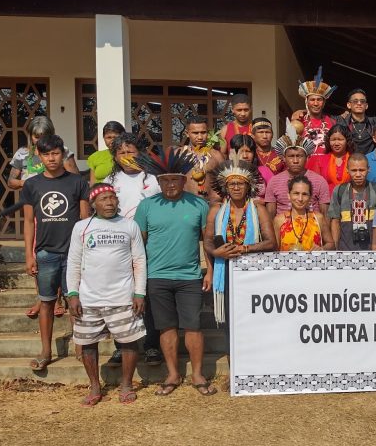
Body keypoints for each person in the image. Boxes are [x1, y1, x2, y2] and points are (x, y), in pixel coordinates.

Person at [133, 149, 216, 396]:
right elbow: (138, 246)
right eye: (165, 180)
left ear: (184, 180)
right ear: (158, 182)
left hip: (189, 276)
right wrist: (139, 282)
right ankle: (172, 374)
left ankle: (198, 374)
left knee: (193, 327)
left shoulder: (199, 204)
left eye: (175, 180)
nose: (170, 185)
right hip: (156, 277)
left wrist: (209, 272)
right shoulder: (146, 207)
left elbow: (207, 242)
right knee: (166, 328)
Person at [66, 183, 146, 406]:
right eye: (104, 199)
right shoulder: (81, 227)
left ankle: (127, 384)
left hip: (122, 296)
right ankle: (94, 386)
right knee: (88, 343)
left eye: (112, 198)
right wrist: (72, 293)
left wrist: (139, 293)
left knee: (129, 342)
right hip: (89, 298)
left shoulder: (129, 225)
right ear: (93, 204)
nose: (109, 202)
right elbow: (73, 262)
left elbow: (139, 260)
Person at [21, 135, 90, 371]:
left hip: (73, 253)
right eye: (46, 154)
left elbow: (85, 220)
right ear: (39, 156)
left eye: (56, 153)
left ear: (63, 154)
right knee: (47, 302)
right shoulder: (32, 185)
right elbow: (29, 222)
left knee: (74, 301)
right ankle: (46, 350)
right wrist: (29, 255)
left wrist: (86, 253)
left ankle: (80, 347)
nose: (52, 158)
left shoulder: (77, 182)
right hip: (45, 253)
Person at [105, 132, 163, 367]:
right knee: (123, 295)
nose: (127, 156)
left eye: (131, 152)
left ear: (140, 153)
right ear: (115, 156)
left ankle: (151, 345)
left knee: (148, 294)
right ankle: (122, 346)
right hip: (119, 246)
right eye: (122, 153)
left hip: (151, 245)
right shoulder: (111, 182)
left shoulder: (154, 179)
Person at [203, 161, 275, 334]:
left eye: (240, 183)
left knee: (252, 316)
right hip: (225, 268)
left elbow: (271, 242)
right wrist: (215, 253)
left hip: (251, 270)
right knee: (230, 319)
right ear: (226, 187)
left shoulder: (258, 209)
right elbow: (207, 241)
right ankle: (232, 357)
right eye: (232, 184)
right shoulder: (216, 209)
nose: (236, 187)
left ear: (248, 186)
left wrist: (245, 249)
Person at [263, 128, 328, 216]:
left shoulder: (319, 181)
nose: (295, 161)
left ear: (307, 157)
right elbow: (270, 216)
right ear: (284, 158)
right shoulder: (274, 182)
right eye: (291, 156)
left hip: (313, 228)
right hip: (282, 228)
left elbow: (325, 215)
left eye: (299, 156)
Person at [328, 156, 376, 251]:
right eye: (354, 170)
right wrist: (335, 250)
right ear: (347, 170)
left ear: (369, 169)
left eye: (362, 170)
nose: (358, 174)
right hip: (346, 251)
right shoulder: (340, 190)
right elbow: (335, 221)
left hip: (373, 251)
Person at [8, 116, 80, 191]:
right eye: (36, 137)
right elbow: (10, 182)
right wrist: (26, 183)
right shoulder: (22, 153)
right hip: (30, 200)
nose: (40, 140)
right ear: (30, 136)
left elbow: (77, 181)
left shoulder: (62, 151)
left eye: (44, 137)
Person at [274, 176, 333, 251]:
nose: (300, 198)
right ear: (289, 195)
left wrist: (322, 249)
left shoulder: (318, 218)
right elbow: (275, 249)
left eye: (304, 194)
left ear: (310, 197)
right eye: (296, 193)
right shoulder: (280, 220)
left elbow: (331, 243)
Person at [292, 66, 337, 156]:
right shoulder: (298, 121)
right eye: (312, 100)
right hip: (305, 168)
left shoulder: (332, 122)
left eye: (319, 100)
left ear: (324, 103)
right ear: (307, 102)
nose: (315, 103)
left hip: (326, 167)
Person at [178, 116, 224, 199]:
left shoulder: (216, 155)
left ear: (208, 133)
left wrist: (217, 201)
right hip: (185, 205)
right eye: (195, 133)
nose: (200, 137)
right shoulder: (178, 154)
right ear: (187, 133)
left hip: (210, 206)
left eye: (203, 132)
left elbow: (225, 183)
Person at [336, 88, 376, 155]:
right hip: (348, 162)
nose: (359, 103)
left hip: (369, 163)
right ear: (349, 105)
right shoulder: (341, 122)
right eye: (355, 101)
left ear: (366, 105)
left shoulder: (375, 122)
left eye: (362, 101)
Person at [306, 124, 354, 191]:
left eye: (340, 139)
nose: (336, 143)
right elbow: (315, 186)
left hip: (349, 199)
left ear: (347, 141)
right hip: (326, 200)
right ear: (328, 141)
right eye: (333, 140)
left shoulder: (355, 160)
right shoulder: (320, 160)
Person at [251, 118, 284, 183]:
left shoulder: (281, 154)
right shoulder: (250, 155)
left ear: (272, 135)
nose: (265, 136)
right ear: (253, 135)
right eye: (260, 132)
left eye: (268, 132)